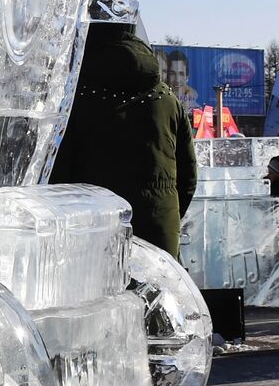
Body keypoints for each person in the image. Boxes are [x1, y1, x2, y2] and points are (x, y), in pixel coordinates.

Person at [51, 20, 198, 258]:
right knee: (154, 295)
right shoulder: (168, 99)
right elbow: (188, 176)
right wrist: (165, 213)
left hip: (93, 234)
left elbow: (58, 178)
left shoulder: (74, 99)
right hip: (159, 234)